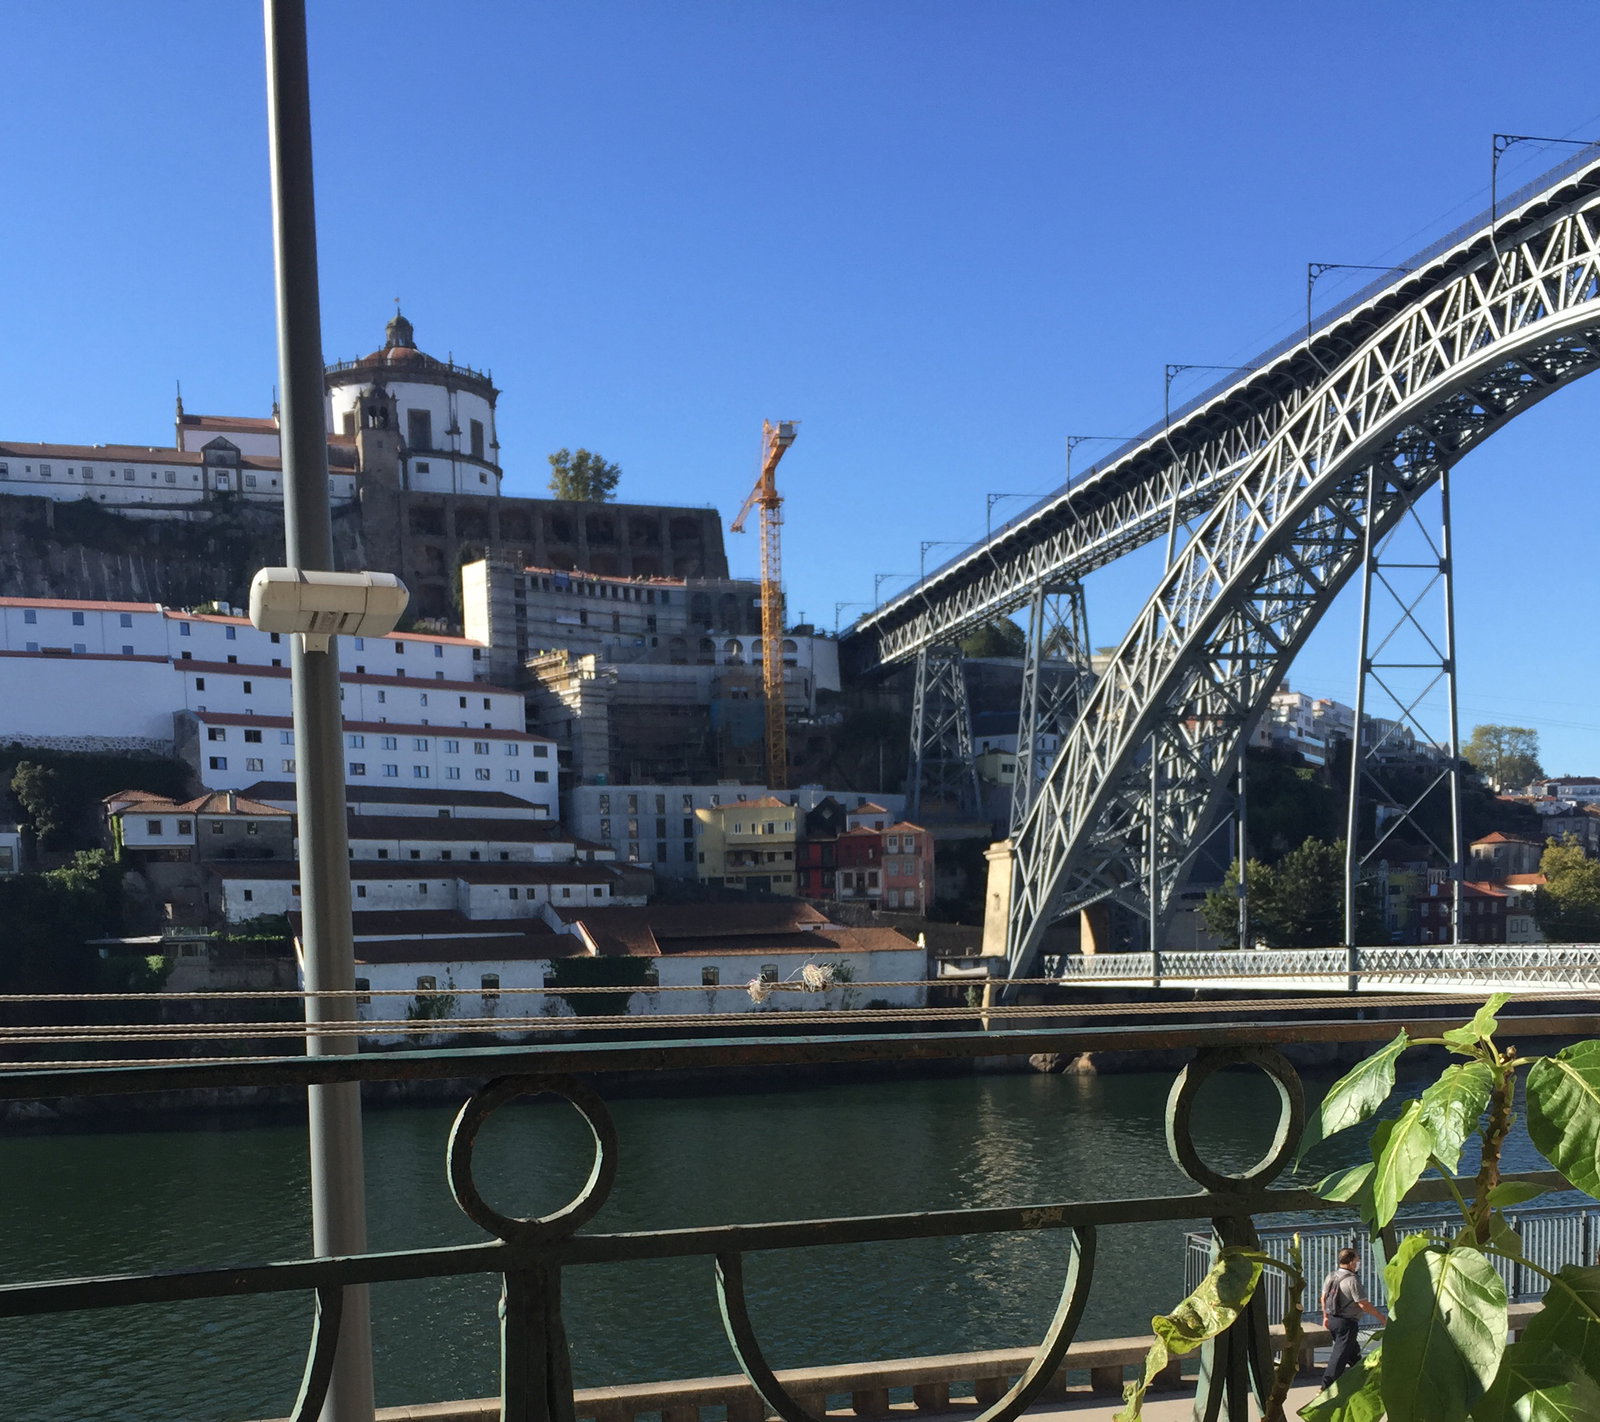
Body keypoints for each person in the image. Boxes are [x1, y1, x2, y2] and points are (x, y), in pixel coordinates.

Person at [1320, 1248, 1387, 1388]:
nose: (1358, 1263)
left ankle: (1363, 1377)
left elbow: (1323, 1298)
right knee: (1340, 1355)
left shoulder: (1331, 1276)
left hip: (1332, 1319)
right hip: (1347, 1323)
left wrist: (1325, 1316)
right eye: (1357, 1260)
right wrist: (1381, 1317)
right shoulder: (1352, 1280)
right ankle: (1326, 1386)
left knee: (1352, 1353)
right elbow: (1363, 1304)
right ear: (1351, 1262)